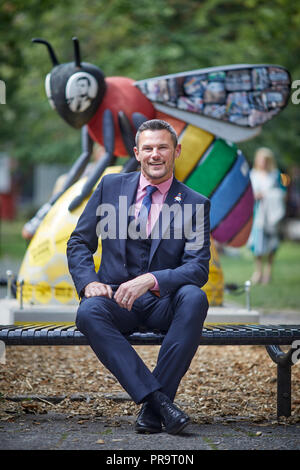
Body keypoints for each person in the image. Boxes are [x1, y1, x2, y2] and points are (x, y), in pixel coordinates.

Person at [67, 119, 211, 435]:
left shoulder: (195, 204)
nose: (155, 154)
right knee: (89, 311)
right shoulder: (109, 187)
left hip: (164, 303)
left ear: (177, 152)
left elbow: (198, 267)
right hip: (117, 300)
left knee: (195, 297)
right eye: (148, 148)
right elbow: (79, 241)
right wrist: (89, 281)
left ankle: (152, 407)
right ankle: (158, 404)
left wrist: (152, 279)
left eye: (163, 147)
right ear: (137, 152)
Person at [248, 147, 286, 284]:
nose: (263, 162)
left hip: (272, 215)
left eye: (265, 160)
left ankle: (268, 272)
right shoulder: (253, 175)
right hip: (258, 214)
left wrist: (269, 195)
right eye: (261, 159)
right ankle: (258, 271)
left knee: (271, 243)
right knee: (257, 244)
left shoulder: (275, 175)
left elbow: (282, 193)